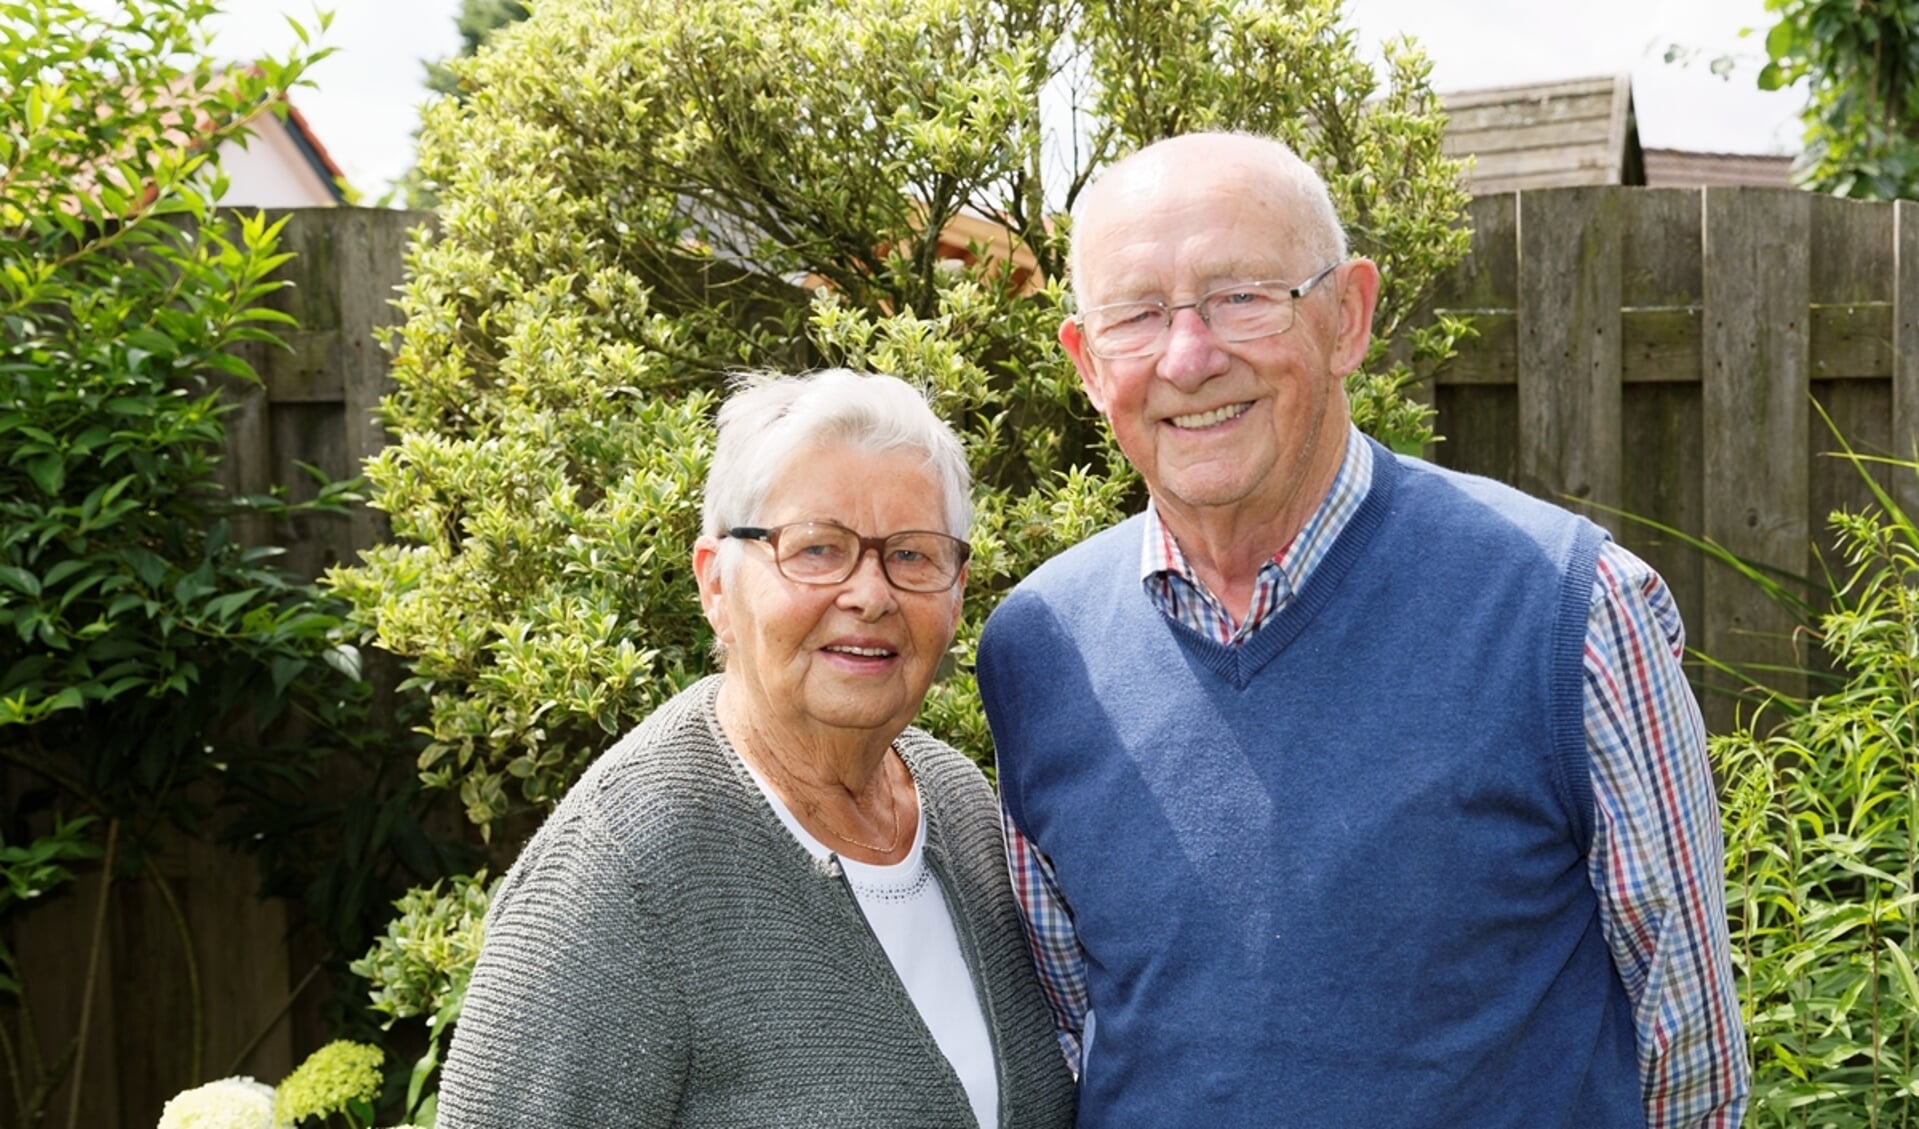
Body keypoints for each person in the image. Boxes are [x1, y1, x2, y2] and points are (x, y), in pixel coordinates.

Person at [975, 133, 1750, 1127]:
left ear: (1346, 317)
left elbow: (1687, 1056)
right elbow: (1080, 1029)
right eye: (1136, 315)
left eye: (1240, 296)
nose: (1189, 355)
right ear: (1086, 364)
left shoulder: (1569, 609)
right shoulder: (1039, 651)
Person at [438, 368, 1076, 1128]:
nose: (870, 594)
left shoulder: (962, 803)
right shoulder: (628, 861)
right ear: (715, 584)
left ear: (957, 591)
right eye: (815, 548)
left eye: (911, 555)